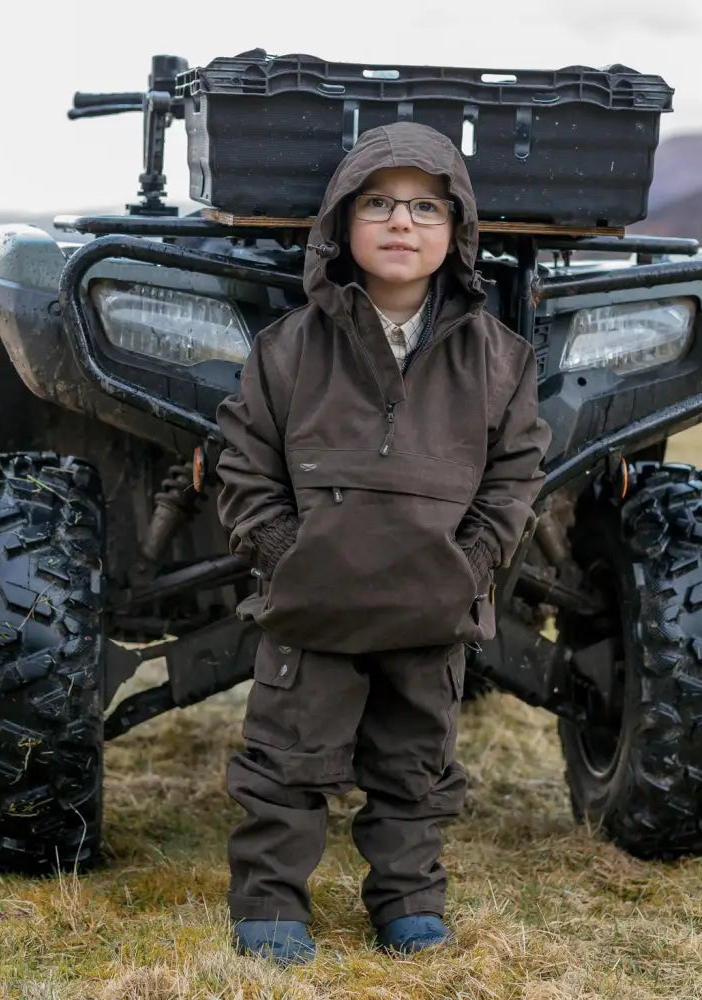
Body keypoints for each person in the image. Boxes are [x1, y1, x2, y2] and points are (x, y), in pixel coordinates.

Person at [215, 121, 551, 964]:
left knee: (417, 769)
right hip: (312, 605)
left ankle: (407, 901)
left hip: (431, 608)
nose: (403, 224)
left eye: (427, 208)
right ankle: (271, 904)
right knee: (286, 763)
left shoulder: (502, 360)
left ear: (459, 230)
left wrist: (467, 566)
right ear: (341, 224)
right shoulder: (286, 350)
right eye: (378, 204)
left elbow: (516, 481)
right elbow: (245, 467)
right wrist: (294, 557)